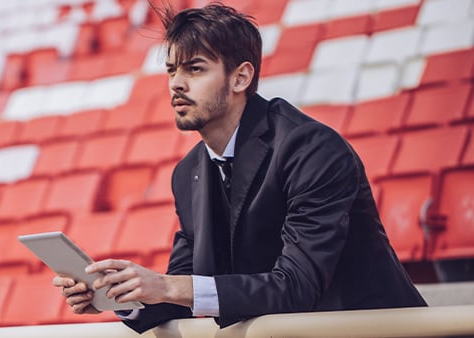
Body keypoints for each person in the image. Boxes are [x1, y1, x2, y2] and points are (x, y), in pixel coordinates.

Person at [52, 2, 427, 333]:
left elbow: (297, 285)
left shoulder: (312, 149)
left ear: (241, 77)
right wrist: (118, 296)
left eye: (195, 69)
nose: (176, 85)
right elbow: (185, 285)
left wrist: (168, 286)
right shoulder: (188, 173)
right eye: (171, 71)